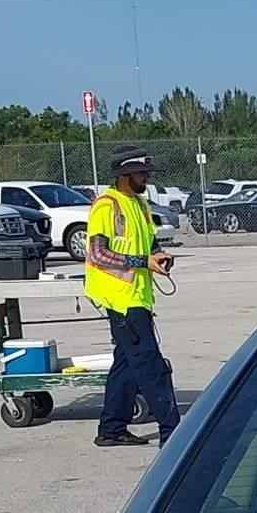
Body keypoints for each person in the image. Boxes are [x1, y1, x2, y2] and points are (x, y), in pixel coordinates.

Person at [83, 148, 179, 448]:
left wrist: (157, 256)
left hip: (137, 296)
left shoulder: (138, 204)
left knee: (126, 365)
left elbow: (146, 245)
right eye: (142, 172)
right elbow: (97, 254)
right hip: (121, 300)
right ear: (124, 175)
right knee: (151, 367)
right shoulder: (106, 206)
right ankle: (172, 433)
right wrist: (142, 262)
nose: (147, 177)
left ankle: (111, 429)